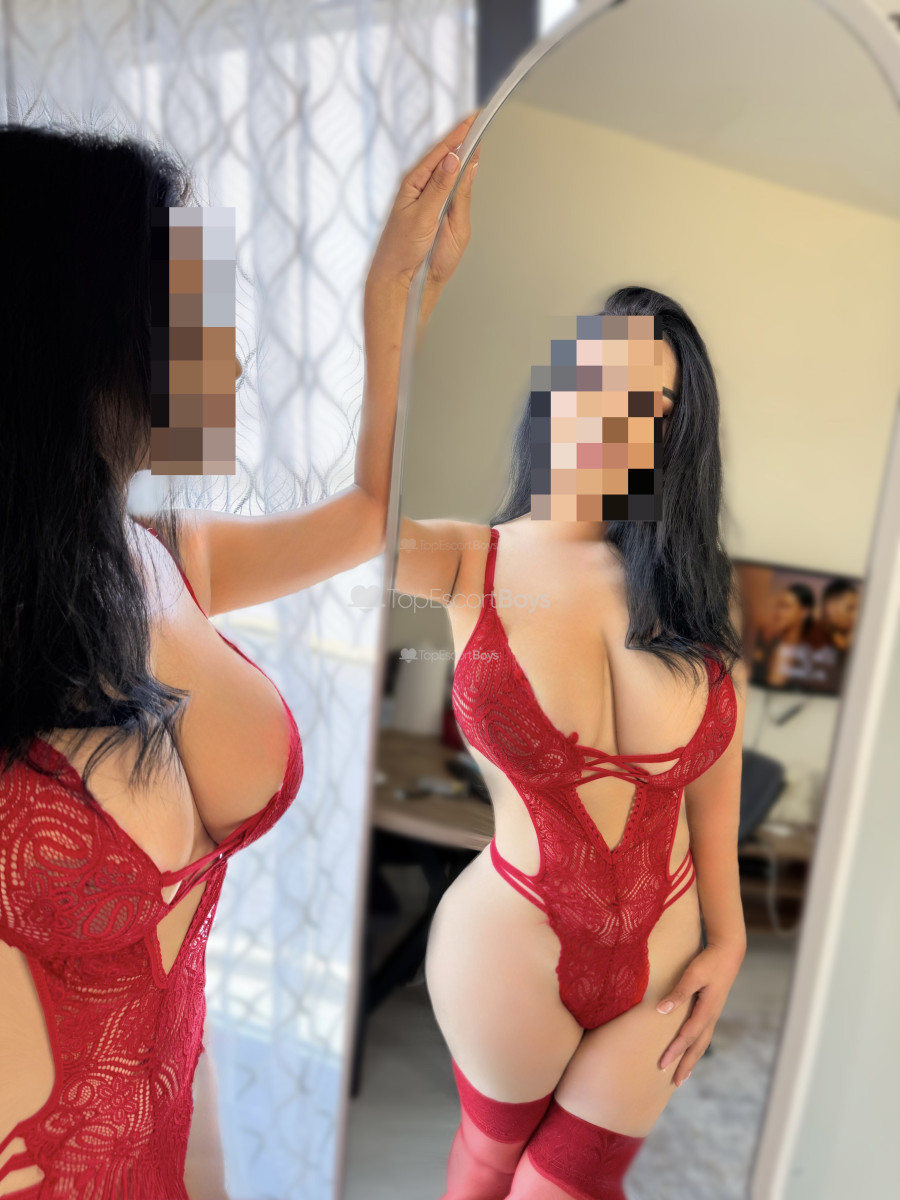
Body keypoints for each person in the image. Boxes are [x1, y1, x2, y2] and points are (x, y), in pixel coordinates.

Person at [0, 114, 479, 1199]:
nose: (230, 347)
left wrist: (397, 297)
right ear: (74, 329)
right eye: (184, 301)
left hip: (175, 1143)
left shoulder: (160, 557)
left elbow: (374, 513)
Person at [395, 287, 748, 1199]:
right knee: (487, 1169)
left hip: (666, 955)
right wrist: (400, 306)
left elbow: (714, 784)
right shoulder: (462, 558)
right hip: (509, 943)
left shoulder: (697, 593)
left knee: (568, 1187)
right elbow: (348, 519)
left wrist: (732, 938)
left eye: (653, 404)